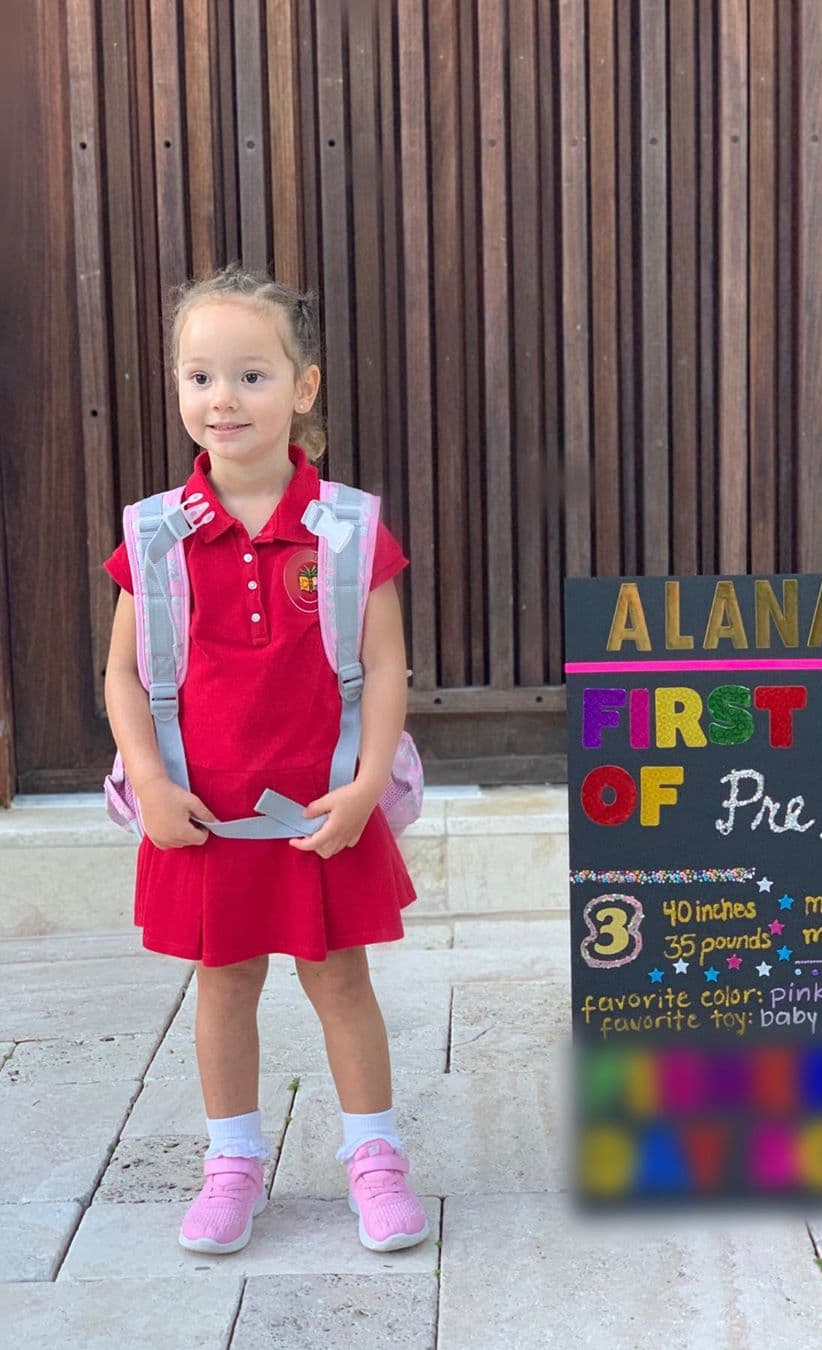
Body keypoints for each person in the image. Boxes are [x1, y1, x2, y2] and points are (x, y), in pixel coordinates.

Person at [101, 261, 429, 1256]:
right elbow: (120, 673)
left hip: (324, 807)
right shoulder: (158, 537)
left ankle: (374, 1158)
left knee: (339, 980)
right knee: (224, 982)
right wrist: (150, 781)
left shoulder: (347, 531)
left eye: (251, 375)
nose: (223, 400)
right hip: (201, 811)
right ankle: (233, 1164)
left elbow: (384, 666)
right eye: (200, 377)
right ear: (177, 386)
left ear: (304, 388)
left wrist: (368, 786)